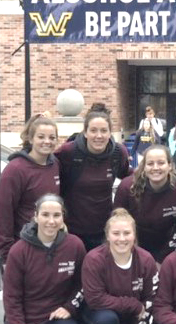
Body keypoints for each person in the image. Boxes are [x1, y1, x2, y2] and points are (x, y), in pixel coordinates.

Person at [2, 194, 86, 324]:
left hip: (55, 320)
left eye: (56, 215)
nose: (51, 221)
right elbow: (11, 300)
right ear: (35, 217)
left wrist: (69, 307)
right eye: (45, 215)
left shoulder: (74, 245)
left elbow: (83, 284)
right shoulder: (19, 251)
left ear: (63, 217)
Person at [81, 208, 158, 324]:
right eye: (116, 233)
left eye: (127, 233)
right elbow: (95, 299)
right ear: (107, 235)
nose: (121, 239)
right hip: (101, 317)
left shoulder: (146, 260)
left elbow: (150, 301)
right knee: (107, 319)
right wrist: (132, 303)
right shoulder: (94, 259)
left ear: (134, 235)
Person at [55, 104, 131, 251]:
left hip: (103, 230)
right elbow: (47, 172)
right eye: (93, 130)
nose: (99, 136)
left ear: (110, 133)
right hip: (71, 231)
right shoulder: (68, 152)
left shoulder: (118, 154)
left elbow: (128, 175)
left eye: (104, 131)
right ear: (85, 132)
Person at [0, 114, 61, 265]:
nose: (47, 141)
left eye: (52, 138)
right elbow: (4, 213)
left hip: (51, 247)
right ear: (31, 139)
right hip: (23, 248)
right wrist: (6, 255)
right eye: (41, 137)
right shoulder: (15, 170)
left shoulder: (55, 165)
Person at [113, 145, 176, 264]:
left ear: (170, 165)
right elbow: (117, 224)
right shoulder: (127, 187)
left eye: (161, 163)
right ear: (144, 166)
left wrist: (163, 260)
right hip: (135, 246)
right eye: (150, 164)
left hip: (170, 247)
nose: (155, 168)